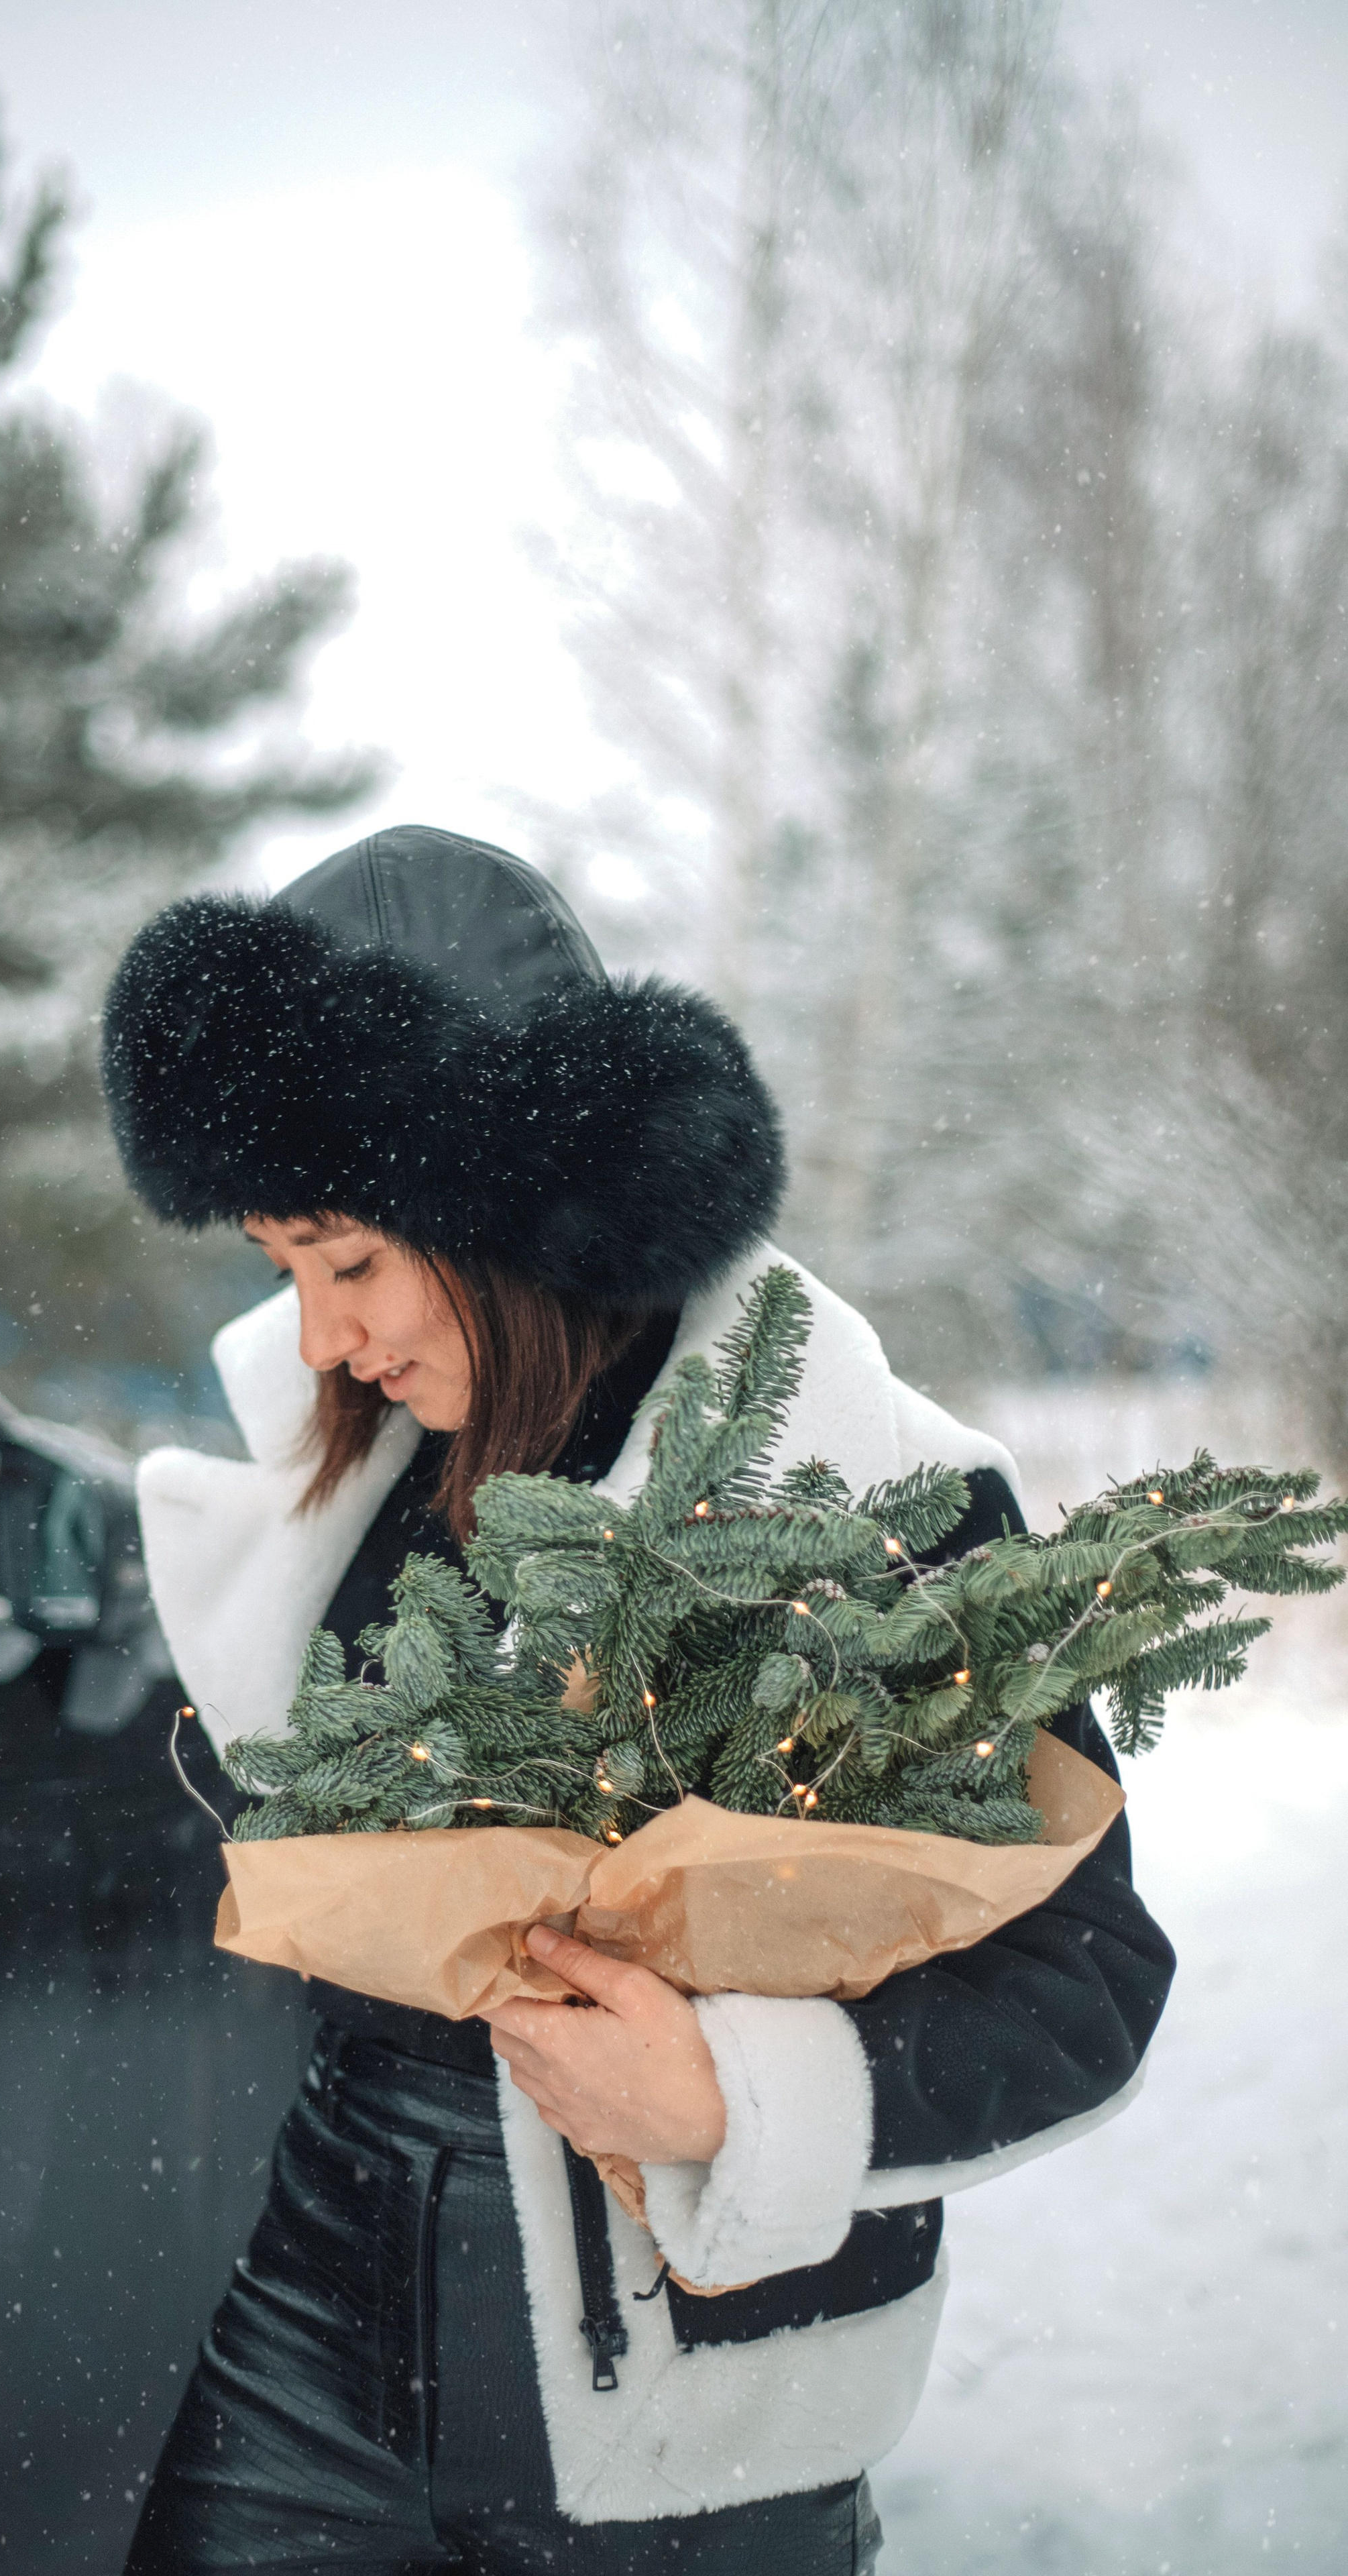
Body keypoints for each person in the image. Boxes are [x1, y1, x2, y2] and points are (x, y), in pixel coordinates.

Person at [100, 825, 1174, 2575]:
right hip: (316, 2335)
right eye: (281, 1270)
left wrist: (740, 2100)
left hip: (688, 2418)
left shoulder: (860, 1487)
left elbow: (1089, 1981)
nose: (316, 1340)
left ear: (504, 1209)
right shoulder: (350, 1473)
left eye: (348, 1263)